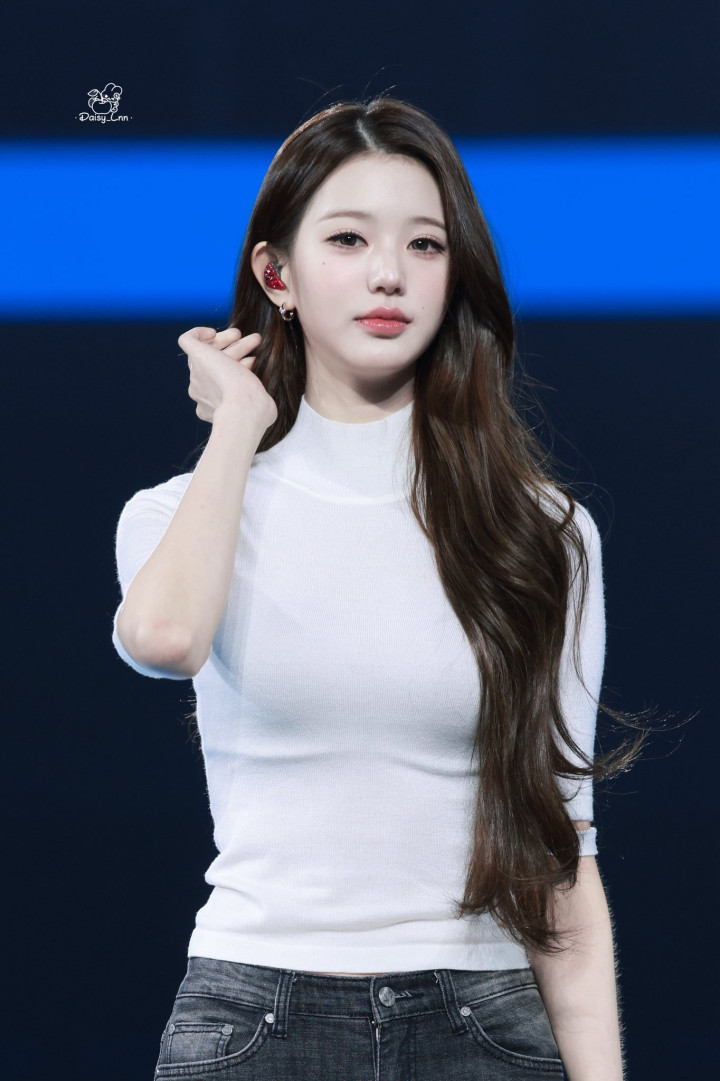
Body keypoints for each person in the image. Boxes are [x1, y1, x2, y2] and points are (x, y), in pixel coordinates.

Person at [112, 96, 643, 1081]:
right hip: (255, 1014)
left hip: (482, 1018)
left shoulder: (544, 532)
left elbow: (560, 853)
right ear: (277, 274)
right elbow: (164, 637)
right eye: (348, 239)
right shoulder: (184, 512)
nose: (389, 273)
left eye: (425, 244)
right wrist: (238, 425)